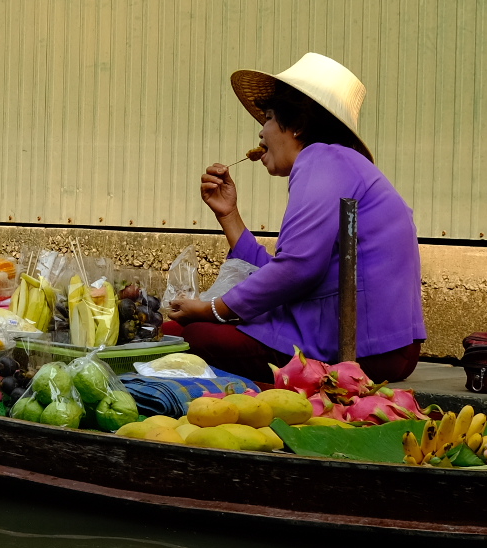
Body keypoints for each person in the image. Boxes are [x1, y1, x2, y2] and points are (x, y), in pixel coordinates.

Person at [164, 53, 424, 384]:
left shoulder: (321, 159)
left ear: (298, 124)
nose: (261, 132)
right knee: (189, 330)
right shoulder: (340, 163)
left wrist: (213, 309)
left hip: (361, 352)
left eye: (269, 118)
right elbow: (285, 271)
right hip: (385, 348)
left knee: (185, 334)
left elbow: (296, 269)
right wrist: (229, 214)